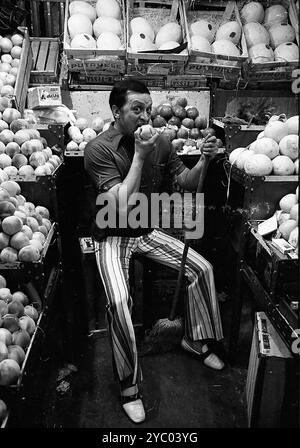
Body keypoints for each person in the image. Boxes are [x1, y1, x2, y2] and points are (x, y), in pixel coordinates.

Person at [84, 78, 225, 424]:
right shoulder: (98, 149)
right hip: (112, 236)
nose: (146, 115)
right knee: (118, 302)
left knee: (202, 269)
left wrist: (205, 162)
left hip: (147, 230)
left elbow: (187, 183)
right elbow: (120, 204)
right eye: (137, 109)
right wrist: (140, 155)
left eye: (148, 108)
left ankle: (195, 340)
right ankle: (129, 387)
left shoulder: (161, 141)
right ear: (116, 112)